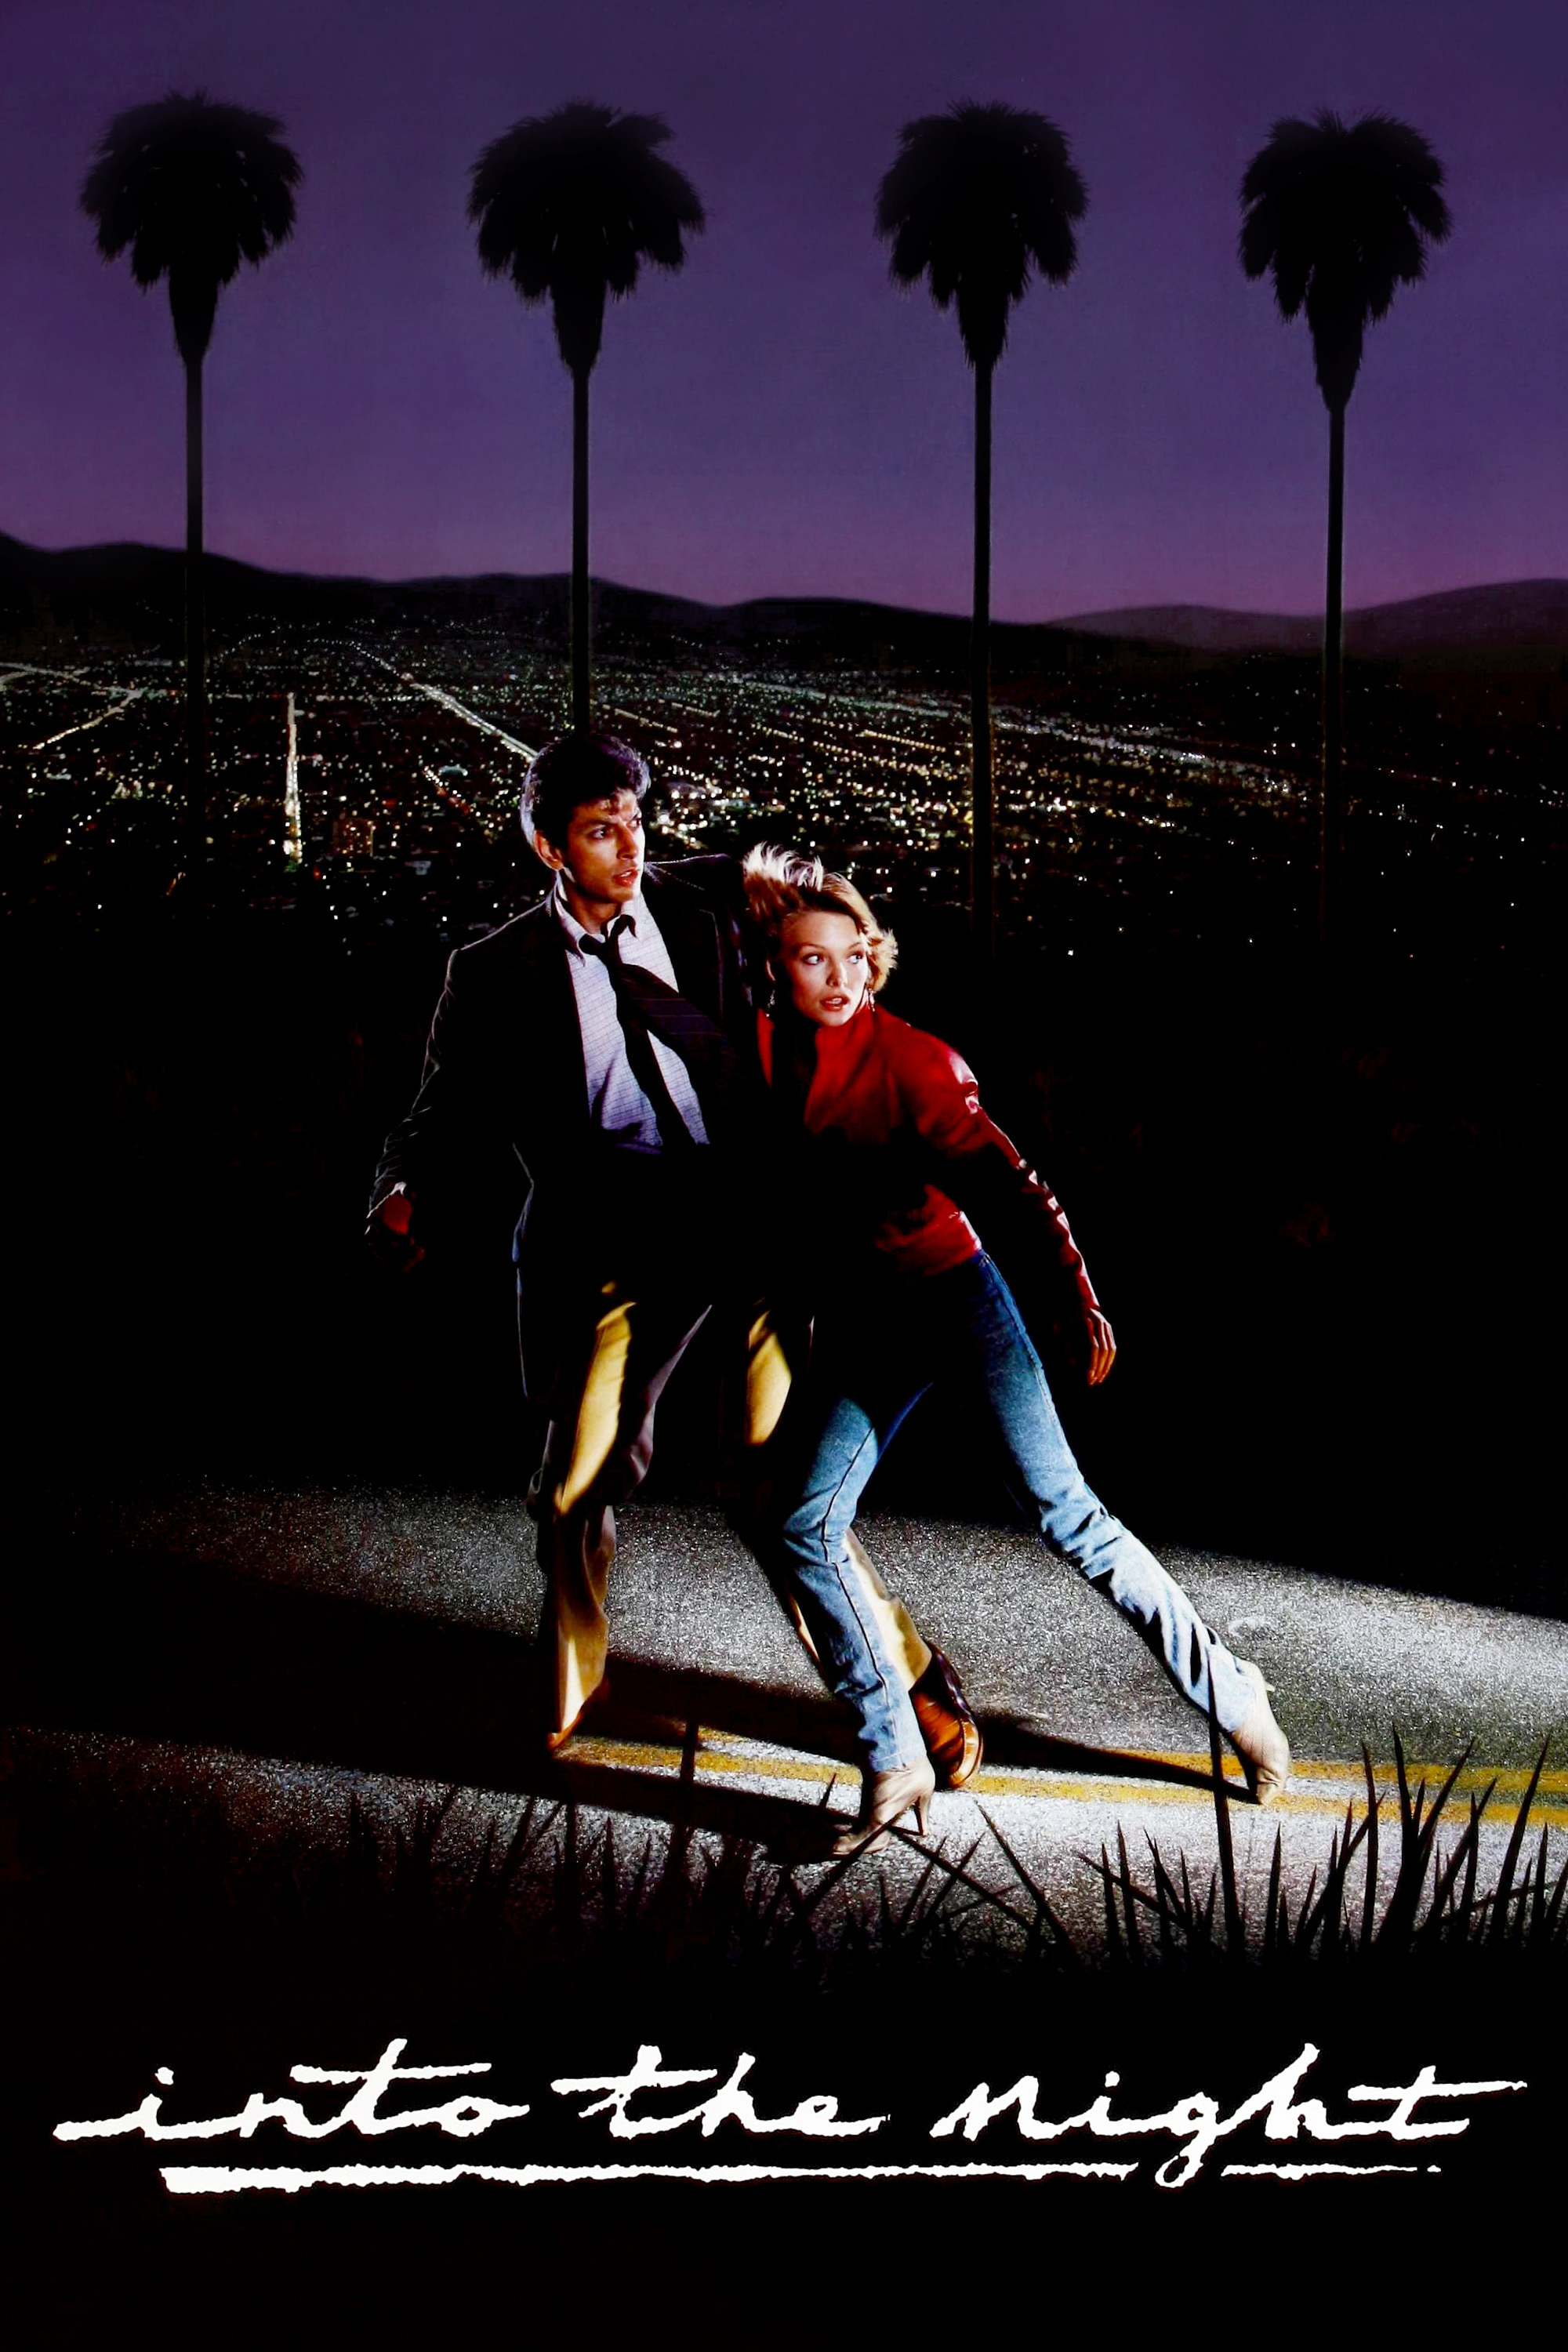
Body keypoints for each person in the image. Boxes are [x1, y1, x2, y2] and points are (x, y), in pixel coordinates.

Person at [366, 731, 979, 1779]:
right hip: (614, 1235)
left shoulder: (707, 906)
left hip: (747, 1216)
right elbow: (441, 1110)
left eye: (636, 822)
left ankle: (904, 1678)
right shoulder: (496, 972)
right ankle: (571, 1681)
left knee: (778, 1481)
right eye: (600, 830)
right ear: (549, 846)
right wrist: (401, 1190)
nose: (628, 846)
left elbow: (821, 929)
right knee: (574, 1484)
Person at [742, 844, 1291, 1853]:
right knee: (801, 1522)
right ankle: (894, 1756)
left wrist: (1075, 1299)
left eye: (848, 956)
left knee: (1066, 1516)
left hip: (958, 1301)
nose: (833, 977)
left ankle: (1235, 1696)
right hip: (872, 1316)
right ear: (776, 968)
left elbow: (1013, 1188)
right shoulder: (769, 1051)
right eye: (807, 960)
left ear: (873, 959)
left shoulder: (918, 1064)